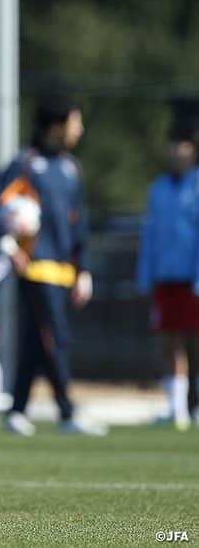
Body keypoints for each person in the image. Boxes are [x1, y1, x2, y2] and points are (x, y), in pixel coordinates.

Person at [0, 96, 106, 437]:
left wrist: (83, 269)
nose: (81, 129)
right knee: (54, 336)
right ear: (57, 126)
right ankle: (67, 412)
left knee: (35, 339)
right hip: (35, 266)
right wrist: (8, 242)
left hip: (63, 268)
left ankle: (16, 410)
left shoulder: (72, 168)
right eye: (76, 122)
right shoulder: (26, 163)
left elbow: (78, 222)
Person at [136, 126, 199, 431]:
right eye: (173, 145)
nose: (177, 152)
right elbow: (150, 234)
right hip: (166, 276)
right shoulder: (158, 187)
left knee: (195, 342)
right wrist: (146, 274)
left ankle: (195, 403)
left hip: (192, 276)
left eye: (183, 145)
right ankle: (176, 408)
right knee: (169, 341)